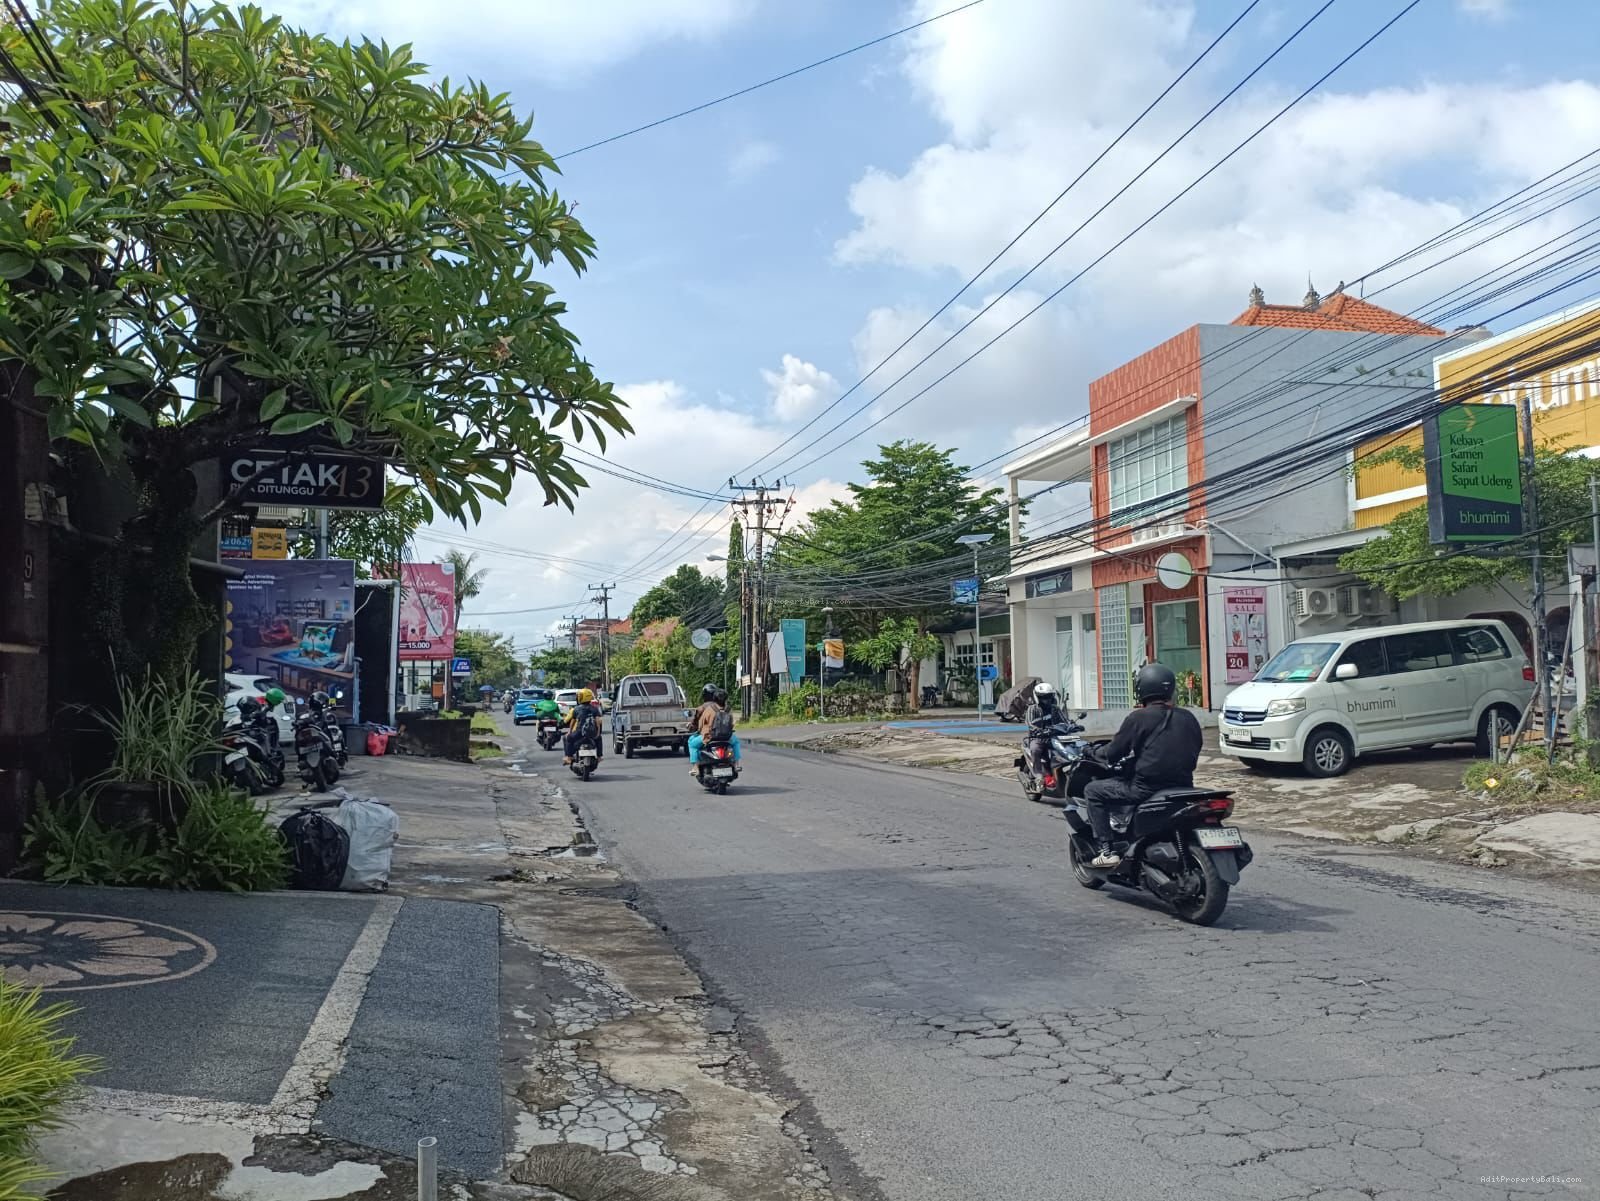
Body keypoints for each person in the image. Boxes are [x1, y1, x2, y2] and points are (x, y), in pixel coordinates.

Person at [1082, 662, 1202, 869]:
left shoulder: (1138, 718)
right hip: (1184, 787)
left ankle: (1107, 851)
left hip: (1146, 789)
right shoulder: (1189, 717)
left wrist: (1092, 752)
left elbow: (1113, 753)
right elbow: (1195, 747)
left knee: (1092, 790)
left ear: (1141, 690)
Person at [1023, 682, 1067, 780]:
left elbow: (1064, 721)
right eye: (1044, 697)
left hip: (1055, 737)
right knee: (1035, 750)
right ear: (1037, 697)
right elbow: (1030, 723)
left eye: (1049, 696)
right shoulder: (1032, 709)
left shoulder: (1055, 708)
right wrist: (1038, 730)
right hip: (1038, 738)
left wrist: (1073, 726)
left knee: (1068, 749)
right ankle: (1038, 774)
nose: (1047, 699)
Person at [686, 684, 721, 776]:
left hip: (708, 736)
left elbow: (696, 723)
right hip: (724, 736)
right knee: (735, 743)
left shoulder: (701, 708)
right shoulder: (722, 706)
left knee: (692, 744)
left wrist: (691, 727)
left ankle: (695, 767)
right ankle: (735, 764)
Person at [562, 687, 603, 765]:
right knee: (599, 738)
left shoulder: (576, 709)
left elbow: (572, 722)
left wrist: (569, 732)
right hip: (592, 733)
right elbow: (598, 721)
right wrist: (597, 733)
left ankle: (569, 757)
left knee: (569, 738)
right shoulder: (594, 709)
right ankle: (599, 756)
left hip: (580, 732)